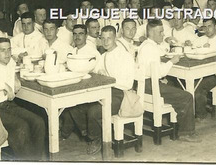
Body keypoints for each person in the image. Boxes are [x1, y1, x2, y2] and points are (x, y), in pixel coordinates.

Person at [69, 26, 135, 154]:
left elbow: (128, 84)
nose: (105, 42)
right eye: (103, 38)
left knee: (94, 112)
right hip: (104, 92)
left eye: (109, 38)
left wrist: (108, 79)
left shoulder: (125, 56)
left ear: (115, 38)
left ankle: (95, 138)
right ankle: (90, 132)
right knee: (75, 106)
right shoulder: (103, 55)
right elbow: (95, 73)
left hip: (120, 94)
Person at [0, 38, 46, 160]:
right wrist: (5, 86)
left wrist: (15, 79)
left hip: (10, 105)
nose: (7, 53)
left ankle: (36, 160)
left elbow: (10, 75)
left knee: (38, 122)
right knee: (21, 126)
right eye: (2, 50)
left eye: (9, 50)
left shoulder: (11, 62)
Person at [137, 19, 198, 142]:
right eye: (160, 32)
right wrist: (172, 61)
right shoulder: (151, 48)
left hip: (144, 84)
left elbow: (154, 70)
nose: (163, 35)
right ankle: (186, 133)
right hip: (150, 85)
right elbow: (158, 72)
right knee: (187, 96)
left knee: (175, 86)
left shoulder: (146, 45)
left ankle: (179, 124)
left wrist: (161, 78)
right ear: (151, 33)